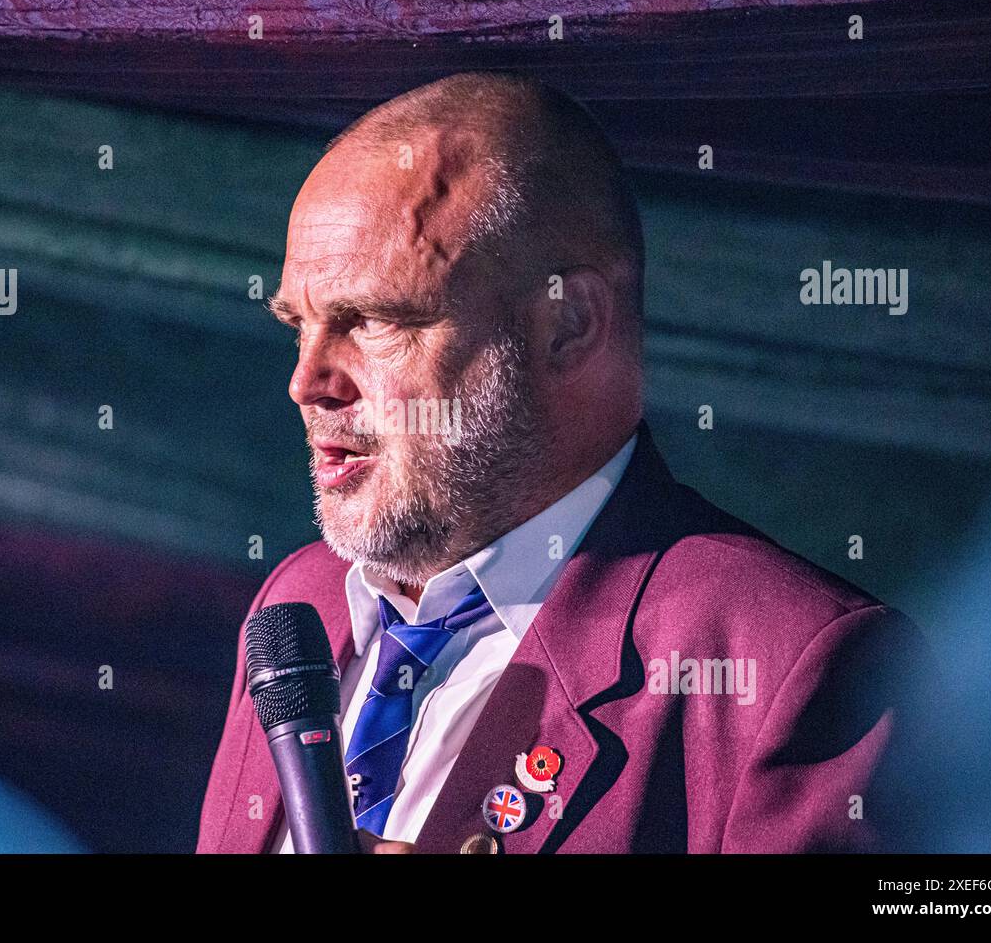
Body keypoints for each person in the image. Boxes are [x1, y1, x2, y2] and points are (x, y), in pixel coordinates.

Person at [197, 72, 933, 854]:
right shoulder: (299, 606)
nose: (307, 381)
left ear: (569, 324)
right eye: (298, 325)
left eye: (375, 321)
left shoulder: (792, 662)